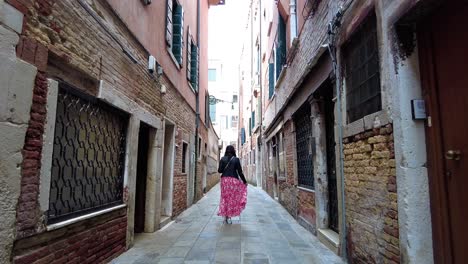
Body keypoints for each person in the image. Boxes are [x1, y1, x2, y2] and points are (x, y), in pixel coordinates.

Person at [217, 145, 247, 224]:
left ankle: (225, 216)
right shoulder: (236, 160)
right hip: (234, 181)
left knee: (225, 198)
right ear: (233, 151)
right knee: (231, 199)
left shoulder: (222, 159)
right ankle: (229, 216)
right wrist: (244, 181)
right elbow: (240, 172)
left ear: (226, 151)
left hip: (225, 181)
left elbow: (219, 171)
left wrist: (223, 166)